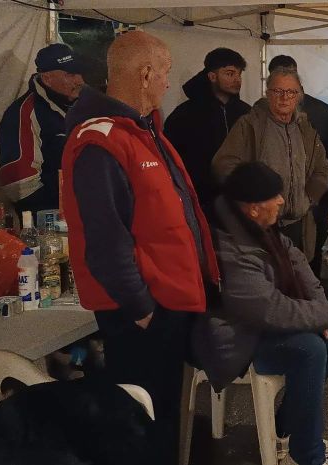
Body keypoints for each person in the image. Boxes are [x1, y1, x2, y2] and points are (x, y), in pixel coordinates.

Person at [61, 31, 220, 465]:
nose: (169, 82)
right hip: (143, 310)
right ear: (146, 74)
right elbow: (104, 238)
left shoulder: (142, 130)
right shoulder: (101, 139)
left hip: (166, 301)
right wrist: (141, 307)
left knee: (161, 417)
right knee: (141, 423)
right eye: (165, 72)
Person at [192, 162, 328, 465]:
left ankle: (287, 432)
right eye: (273, 196)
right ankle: (305, 456)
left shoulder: (258, 227)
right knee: (310, 348)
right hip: (235, 336)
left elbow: (298, 264)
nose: (281, 201)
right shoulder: (230, 247)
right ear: (252, 208)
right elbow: (272, 309)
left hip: (259, 324)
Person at [212, 67, 328, 258]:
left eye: (291, 92)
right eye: (278, 91)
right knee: (264, 273)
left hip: (298, 226)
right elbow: (223, 165)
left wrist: (310, 197)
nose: (284, 97)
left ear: (299, 96)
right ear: (267, 93)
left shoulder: (305, 128)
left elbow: (323, 167)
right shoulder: (250, 125)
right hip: (261, 226)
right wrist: (253, 198)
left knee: (296, 274)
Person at [268, 55, 328, 277]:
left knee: (310, 258)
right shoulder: (256, 120)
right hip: (270, 212)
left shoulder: (317, 113)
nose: (285, 95)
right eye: (279, 87)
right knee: (275, 267)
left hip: (308, 205)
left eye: (291, 88)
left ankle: (310, 294)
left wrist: (317, 197)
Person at [0, 43, 85, 215]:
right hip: (53, 219)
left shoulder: (85, 105)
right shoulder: (23, 113)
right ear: (47, 78)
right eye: (70, 74)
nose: (79, 80)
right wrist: (62, 213)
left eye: (79, 72)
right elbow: (19, 184)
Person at [164, 48, 251, 210]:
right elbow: (171, 160)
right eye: (230, 74)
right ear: (212, 76)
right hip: (199, 200)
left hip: (239, 199)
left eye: (239, 74)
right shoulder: (184, 115)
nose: (237, 80)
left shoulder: (246, 113)